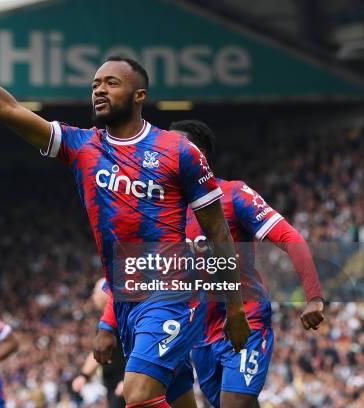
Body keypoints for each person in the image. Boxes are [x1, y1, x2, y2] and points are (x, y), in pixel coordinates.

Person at [0, 18, 250, 408]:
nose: (99, 90)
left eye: (111, 83)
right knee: (178, 400)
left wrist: (234, 308)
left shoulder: (178, 151)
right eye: (95, 85)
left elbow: (219, 233)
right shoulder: (82, 145)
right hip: (126, 301)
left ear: (139, 95)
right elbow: (6, 107)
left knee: (137, 395)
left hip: (171, 292)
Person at [97, 120, 325, 408]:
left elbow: (290, 238)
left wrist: (314, 297)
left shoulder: (234, 195)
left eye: (173, 146)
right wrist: (107, 325)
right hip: (199, 335)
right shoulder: (156, 212)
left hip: (245, 319)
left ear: (196, 155)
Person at [72, 278, 126, 408]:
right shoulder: (105, 323)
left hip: (126, 385)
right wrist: (83, 375)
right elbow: (99, 351)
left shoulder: (123, 317)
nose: (93, 296)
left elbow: (138, 349)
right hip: (113, 385)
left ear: (106, 293)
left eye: (95, 292)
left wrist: (129, 379)